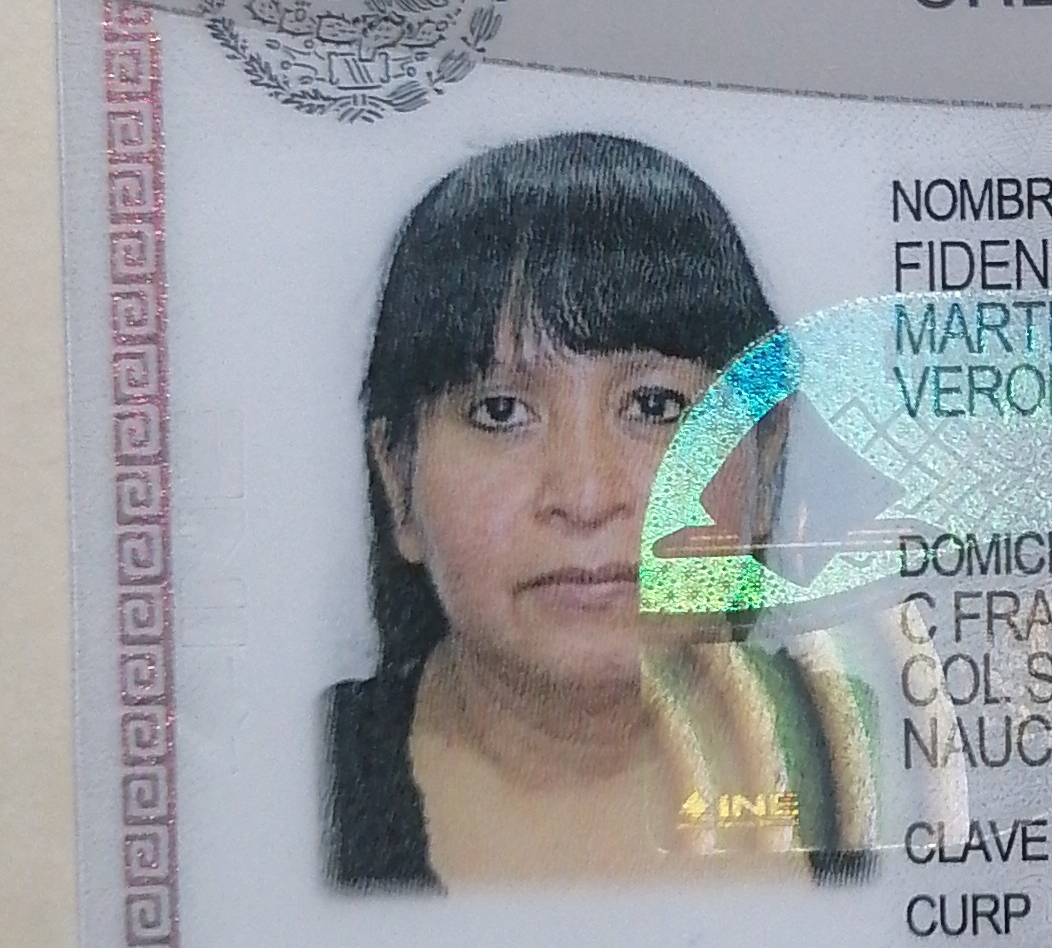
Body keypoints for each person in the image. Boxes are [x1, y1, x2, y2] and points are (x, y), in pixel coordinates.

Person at [324, 132, 874, 888]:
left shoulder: (885, 769)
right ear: (398, 480)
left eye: (653, 406)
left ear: (765, 458)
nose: (585, 497)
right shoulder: (289, 790)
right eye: (500, 411)